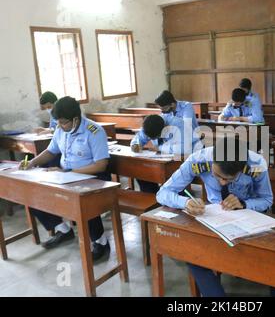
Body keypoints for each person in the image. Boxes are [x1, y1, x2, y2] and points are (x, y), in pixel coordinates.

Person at [156, 137, 275, 296]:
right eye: (217, 175)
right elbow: (162, 193)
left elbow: (267, 200)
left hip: (251, 219)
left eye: (229, 179)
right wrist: (185, 202)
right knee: (193, 253)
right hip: (215, 218)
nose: (222, 183)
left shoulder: (256, 165)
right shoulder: (197, 160)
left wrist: (244, 204)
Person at [20, 96, 111, 261]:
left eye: (63, 122)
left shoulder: (94, 131)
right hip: (67, 175)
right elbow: (50, 151)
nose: (60, 126)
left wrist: (68, 171)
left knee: (83, 203)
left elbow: (101, 165)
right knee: (32, 195)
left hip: (91, 176)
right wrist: (32, 162)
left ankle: (101, 242)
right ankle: (63, 230)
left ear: (75, 119)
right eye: (58, 122)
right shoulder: (61, 131)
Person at [131, 114, 203, 193]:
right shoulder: (150, 124)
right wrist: (135, 144)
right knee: (142, 171)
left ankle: (176, 197)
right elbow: (140, 137)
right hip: (165, 158)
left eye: (156, 137)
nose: (153, 140)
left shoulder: (178, 124)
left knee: (171, 174)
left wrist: (160, 148)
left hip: (188, 155)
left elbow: (182, 148)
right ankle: (152, 197)